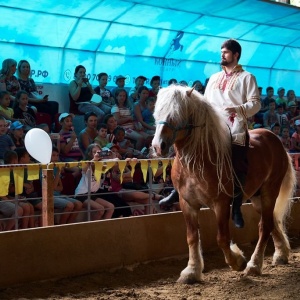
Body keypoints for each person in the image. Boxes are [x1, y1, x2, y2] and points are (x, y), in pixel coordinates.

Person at [161, 39, 261, 229]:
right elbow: (205, 104)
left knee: (238, 162)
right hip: (210, 129)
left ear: (236, 55)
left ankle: (237, 206)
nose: (222, 55)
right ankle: (177, 190)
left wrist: (238, 109)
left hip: (235, 128)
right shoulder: (214, 77)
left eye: (226, 52)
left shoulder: (247, 77)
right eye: (221, 52)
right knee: (183, 150)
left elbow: (256, 104)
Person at [75, 144, 115, 221]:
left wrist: (112, 155)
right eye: (94, 152)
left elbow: (114, 162)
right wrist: (95, 159)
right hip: (81, 194)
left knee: (111, 207)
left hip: (92, 194)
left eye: (98, 152)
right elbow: (84, 169)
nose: (97, 154)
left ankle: (102, 229)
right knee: (100, 209)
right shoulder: (86, 162)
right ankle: (90, 229)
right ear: (90, 154)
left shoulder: (102, 163)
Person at [51, 146, 83, 224]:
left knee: (79, 204)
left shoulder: (56, 168)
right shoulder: (45, 168)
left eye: (57, 155)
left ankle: (69, 225)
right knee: (70, 205)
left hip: (59, 195)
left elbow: (60, 188)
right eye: (53, 155)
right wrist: (58, 172)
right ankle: (61, 226)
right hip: (49, 196)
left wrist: (56, 187)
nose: (56, 158)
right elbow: (54, 187)